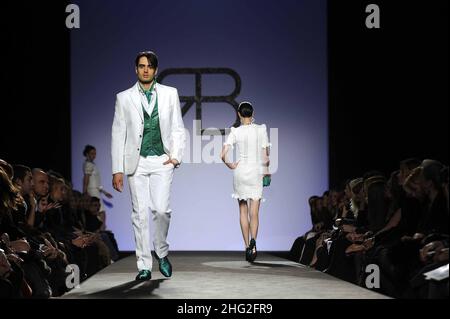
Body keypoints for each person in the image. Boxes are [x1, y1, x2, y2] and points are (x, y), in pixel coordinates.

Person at [111, 51, 185, 281]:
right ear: (136, 69)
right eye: (141, 66)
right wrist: (117, 169)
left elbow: (177, 127)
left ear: (155, 70)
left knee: (162, 210)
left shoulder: (170, 94)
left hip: (162, 159)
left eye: (150, 66)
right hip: (137, 162)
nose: (145, 69)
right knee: (140, 214)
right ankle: (144, 265)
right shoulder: (123, 98)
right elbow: (118, 134)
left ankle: (161, 252)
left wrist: (176, 156)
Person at [221, 101, 271, 262]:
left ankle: (246, 246)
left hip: (241, 171)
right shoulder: (261, 129)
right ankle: (254, 243)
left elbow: (223, 155)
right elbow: (265, 156)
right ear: (252, 113)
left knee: (243, 210)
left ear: (239, 114)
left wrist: (231, 165)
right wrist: (267, 172)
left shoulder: (235, 132)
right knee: (254, 212)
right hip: (256, 171)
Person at [82, 145, 113, 230]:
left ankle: (100, 231)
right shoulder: (88, 164)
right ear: (87, 154)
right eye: (92, 153)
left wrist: (105, 192)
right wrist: (84, 193)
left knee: (100, 212)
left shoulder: (92, 164)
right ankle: (99, 231)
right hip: (91, 191)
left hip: (95, 190)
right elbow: (86, 179)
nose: (94, 155)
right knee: (100, 212)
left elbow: (97, 182)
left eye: (95, 153)